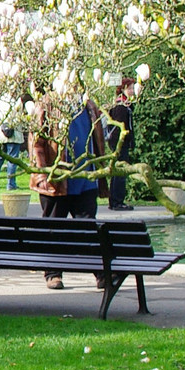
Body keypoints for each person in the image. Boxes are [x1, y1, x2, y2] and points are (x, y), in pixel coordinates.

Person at [30, 100, 109, 289]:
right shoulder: (47, 105)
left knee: (89, 228)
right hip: (56, 181)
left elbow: (98, 140)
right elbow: (36, 143)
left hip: (85, 178)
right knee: (53, 228)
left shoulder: (89, 106)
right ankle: (52, 273)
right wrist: (45, 174)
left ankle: (101, 273)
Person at [103, 82, 135, 210]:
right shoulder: (121, 106)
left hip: (120, 143)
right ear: (123, 89)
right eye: (130, 88)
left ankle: (115, 201)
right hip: (119, 144)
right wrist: (119, 145)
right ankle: (117, 201)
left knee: (118, 172)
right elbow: (118, 127)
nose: (133, 91)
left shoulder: (125, 104)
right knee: (121, 172)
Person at [0, 95, 25, 189]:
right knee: (12, 159)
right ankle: (11, 184)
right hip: (14, 134)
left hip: (0, 135)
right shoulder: (16, 101)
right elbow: (18, 118)